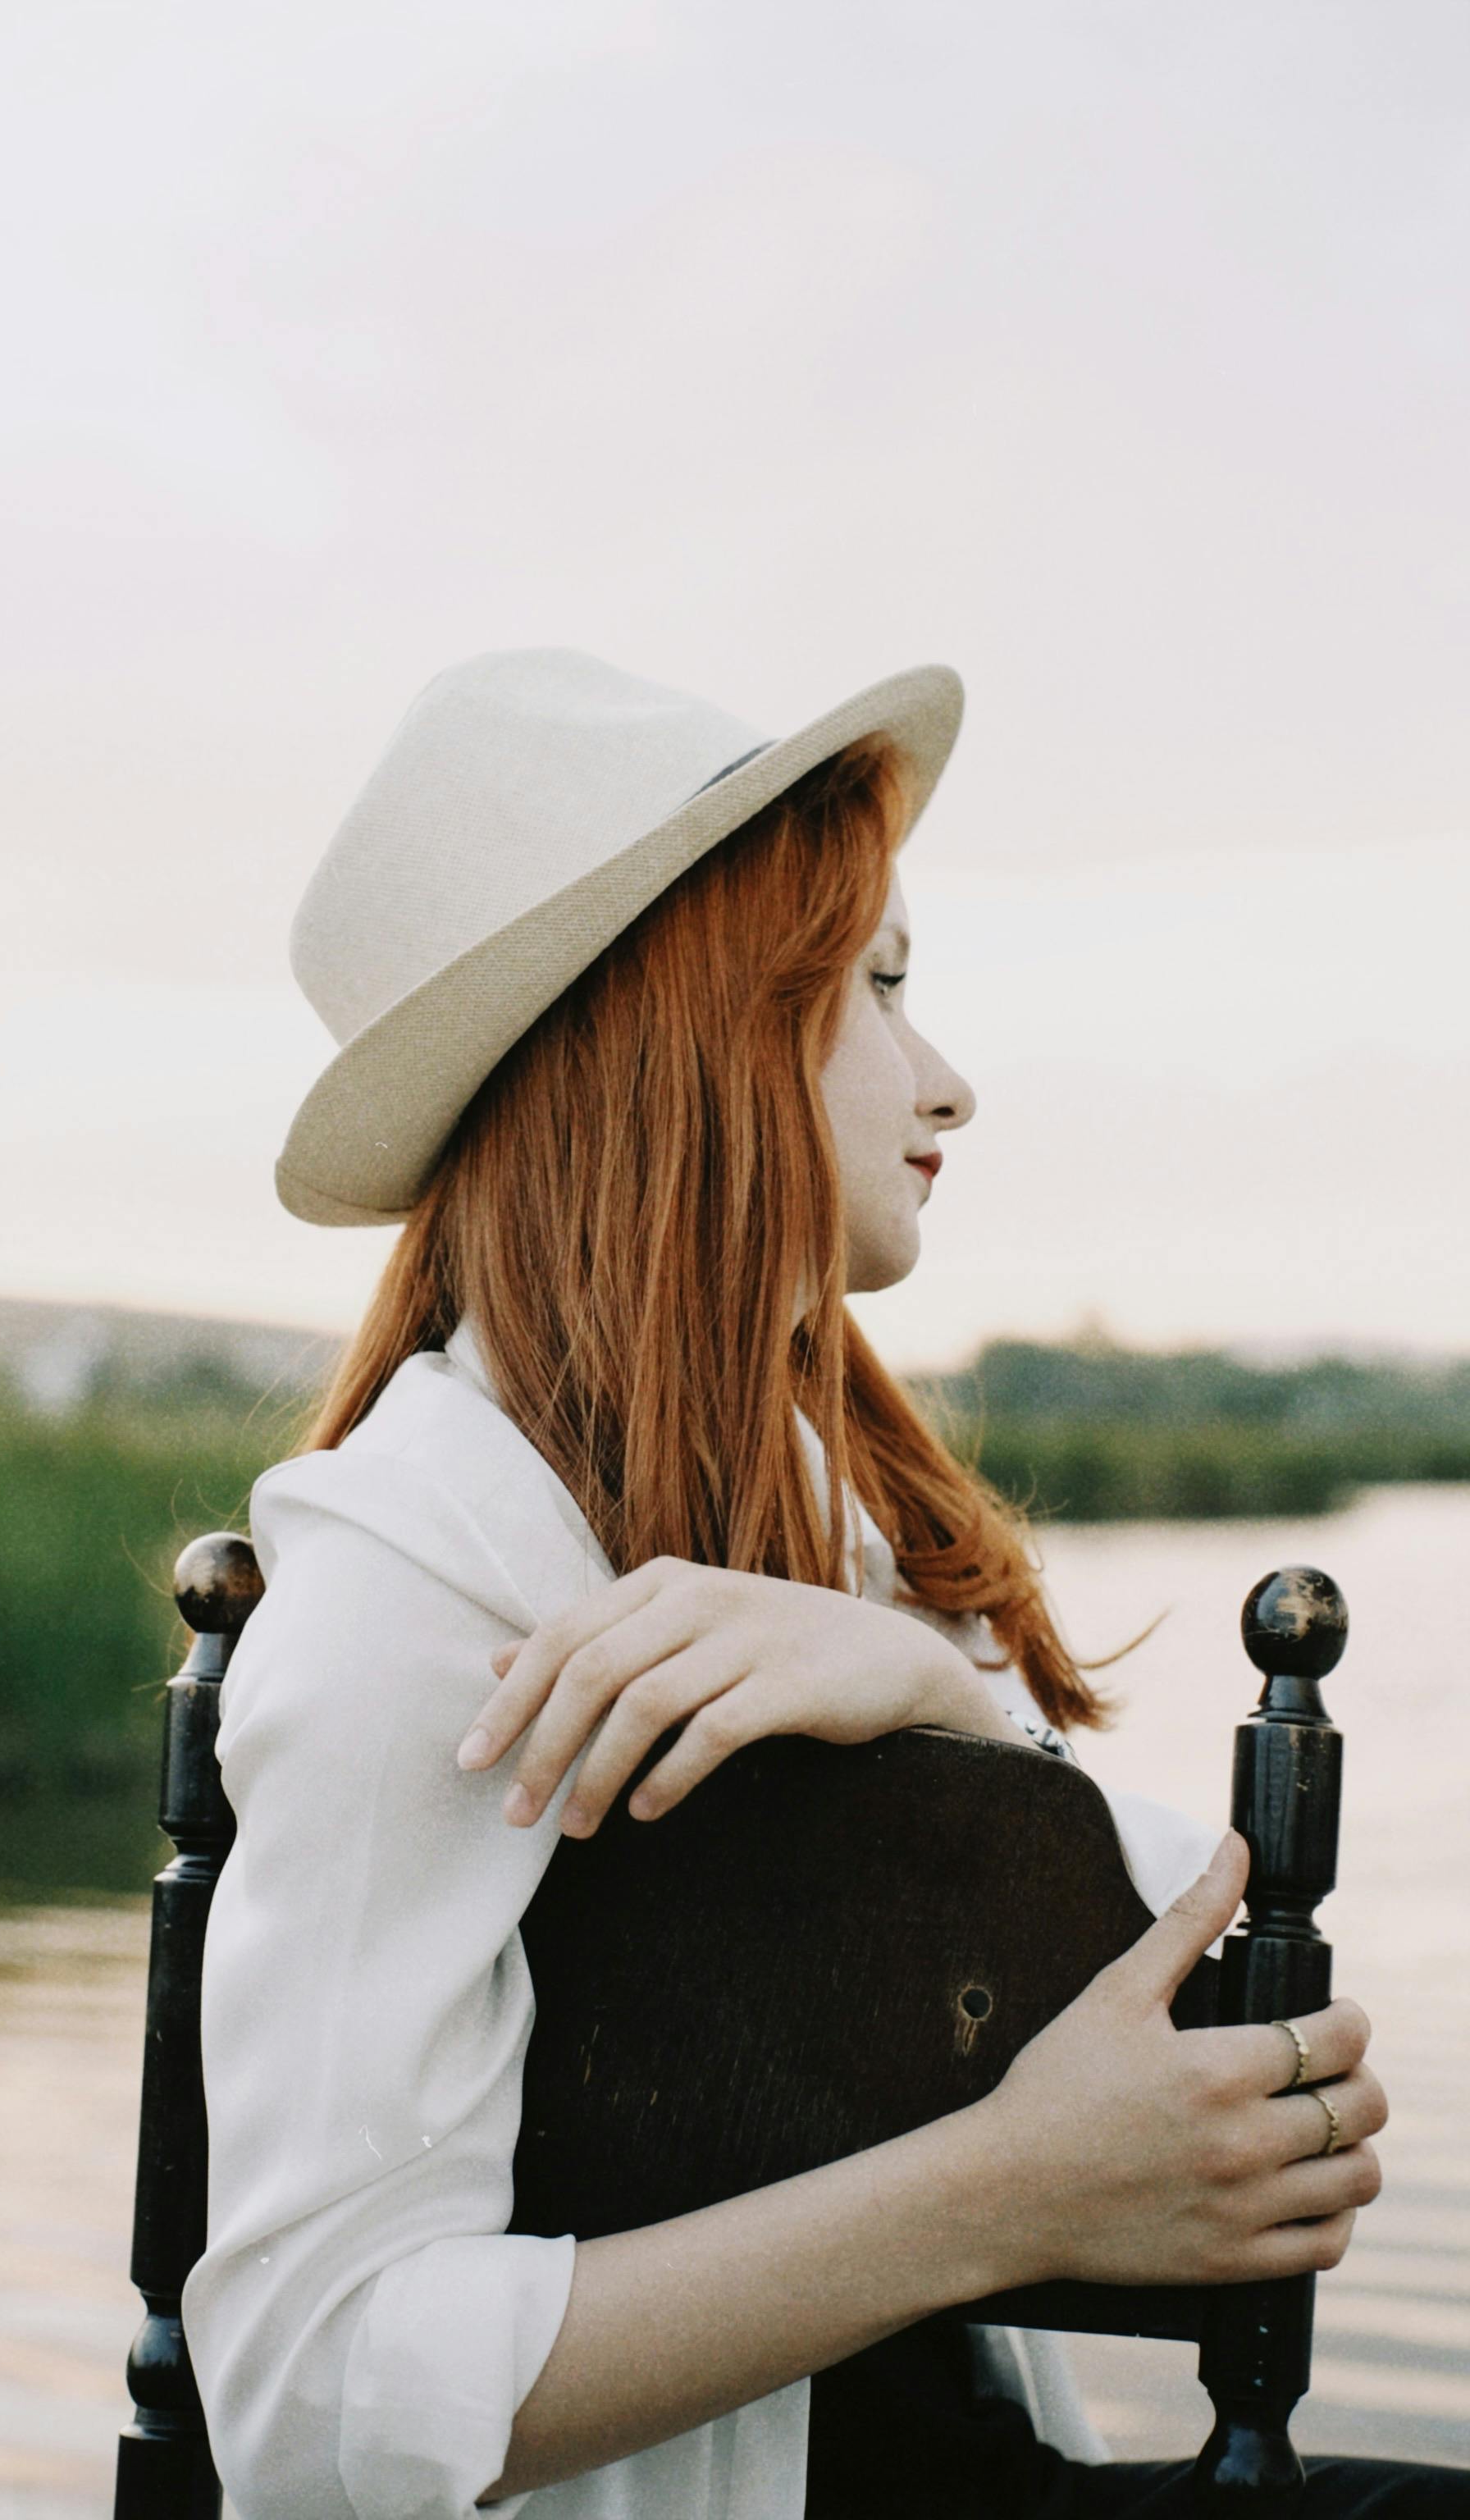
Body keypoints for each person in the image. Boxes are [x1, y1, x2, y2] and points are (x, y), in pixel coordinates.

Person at [180, 648, 1461, 2517]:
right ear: (689, 1029)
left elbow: (1222, 2020)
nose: (947, 1080)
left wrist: (934, 1696)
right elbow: (309, 2402)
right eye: (876, 985)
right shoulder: (414, 1581)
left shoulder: (808, 1505)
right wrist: (997, 2198)